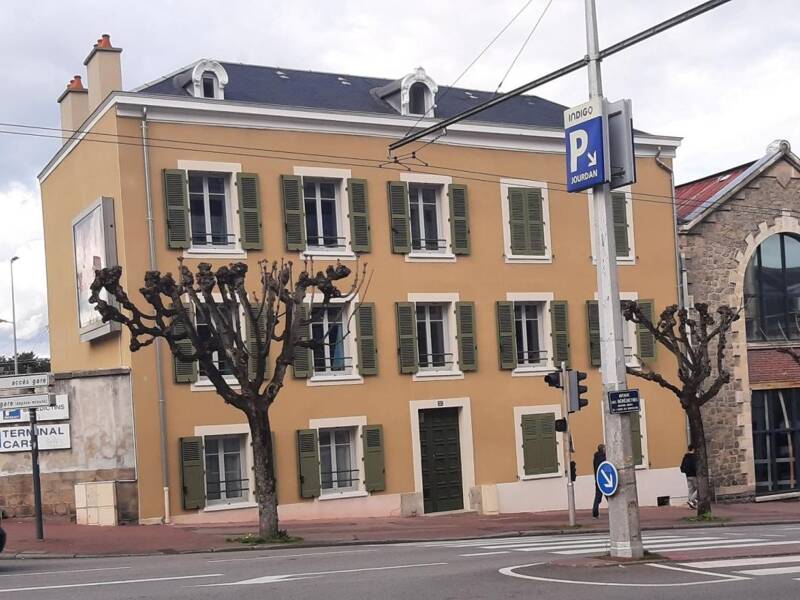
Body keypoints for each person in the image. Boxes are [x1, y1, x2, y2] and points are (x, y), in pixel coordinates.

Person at [680, 444, 698, 509]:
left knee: (691, 490)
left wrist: (685, 471)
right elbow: (695, 466)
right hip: (694, 475)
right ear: (693, 449)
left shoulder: (685, 457)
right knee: (699, 489)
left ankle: (691, 506)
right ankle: (691, 500)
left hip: (688, 475)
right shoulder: (694, 457)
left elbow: (681, 467)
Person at [592, 443, 606, 518]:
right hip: (605, 480)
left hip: (598, 479)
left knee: (597, 496)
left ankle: (595, 513)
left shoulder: (596, 457)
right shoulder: (602, 458)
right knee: (610, 496)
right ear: (603, 449)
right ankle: (615, 510)